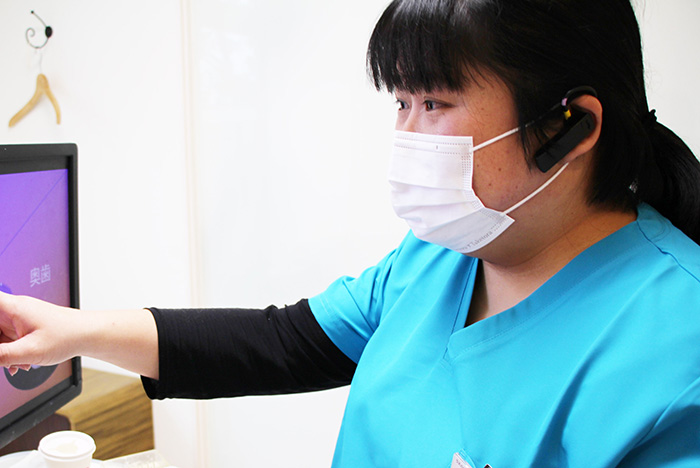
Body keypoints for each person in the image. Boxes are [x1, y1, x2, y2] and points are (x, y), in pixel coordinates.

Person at [2, 0, 700, 466]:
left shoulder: (674, 349)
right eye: (401, 102)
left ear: (568, 127)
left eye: (435, 102)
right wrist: (72, 331)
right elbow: (282, 343)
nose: (407, 135)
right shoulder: (440, 257)